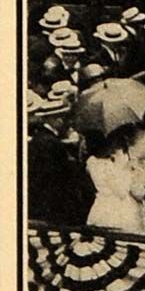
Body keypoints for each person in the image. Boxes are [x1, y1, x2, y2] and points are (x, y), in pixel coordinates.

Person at [27, 90, 94, 225]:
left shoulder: (40, 138)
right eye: (64, 119)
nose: (67, 123)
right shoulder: (51, 143)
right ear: (57, 120)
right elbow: (59, 179)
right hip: (51, 210)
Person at [86, 125, 145, 233]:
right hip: (117, 209)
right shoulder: (108, 165)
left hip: (100, 207)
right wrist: (127, 170)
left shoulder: (91, 162)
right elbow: (121, 190)